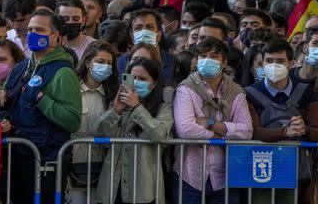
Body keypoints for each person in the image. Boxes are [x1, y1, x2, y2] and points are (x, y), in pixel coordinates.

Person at [0, 9, 82, 202]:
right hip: (19, 158)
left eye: (39, 30)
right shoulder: (21, 68)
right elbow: (6, 100)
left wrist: (42, 99)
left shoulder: (63, 72)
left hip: (46, 162)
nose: (32, 34)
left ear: (56, 36)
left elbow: (73, 120)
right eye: (30, 29)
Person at [173, 37, 253, 204]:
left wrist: (210, 123)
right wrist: (222, 139)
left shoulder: (236, 92)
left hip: (225, 176)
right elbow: (186, 130)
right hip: (190, 175)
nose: (207, 60)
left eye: (214, 56)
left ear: (224, 63)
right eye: (203, 56)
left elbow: (246, 131)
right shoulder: (185, 89)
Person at [244, 38, 318, 204]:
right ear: (262, 63)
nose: (274, 65)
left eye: (280, 61)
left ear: (291, 64)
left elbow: (316, 130)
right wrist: (284, 132)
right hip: (259, 167)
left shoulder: (306, 91)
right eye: (269, 61)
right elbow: (251, 130)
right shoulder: (249, 93)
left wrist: (304, 129)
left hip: (296, 169)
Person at [95, 58, 173, 204]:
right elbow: (101, 137)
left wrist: (137, 106)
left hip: (144, 189)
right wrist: (115, 111)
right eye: (133, 78)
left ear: (154, 83)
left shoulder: (163, 108)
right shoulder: (119, 104)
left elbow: (160, 135)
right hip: (113, 186)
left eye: (142, 79)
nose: (137, 82)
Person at [68, 41, 118, 196]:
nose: (106, 66)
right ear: (88, 62)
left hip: (102, 167)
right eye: (101, 62)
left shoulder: (113, 94)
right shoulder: (72, 88)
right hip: (72, 166)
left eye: (109, 63)